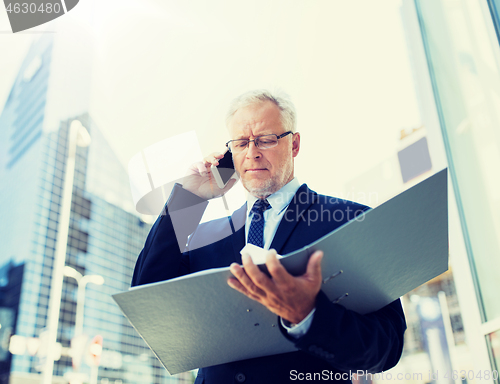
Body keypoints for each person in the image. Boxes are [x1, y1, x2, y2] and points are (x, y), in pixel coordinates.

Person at [132, 90, 406, 384]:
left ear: (294, 144)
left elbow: (387, 346)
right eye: (241, 143)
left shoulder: (352, 221)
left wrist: (309, 315)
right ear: (230, 153)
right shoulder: (206, 235)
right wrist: (187, 200)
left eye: (265, 139)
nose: (252, 153)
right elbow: (146, 296)